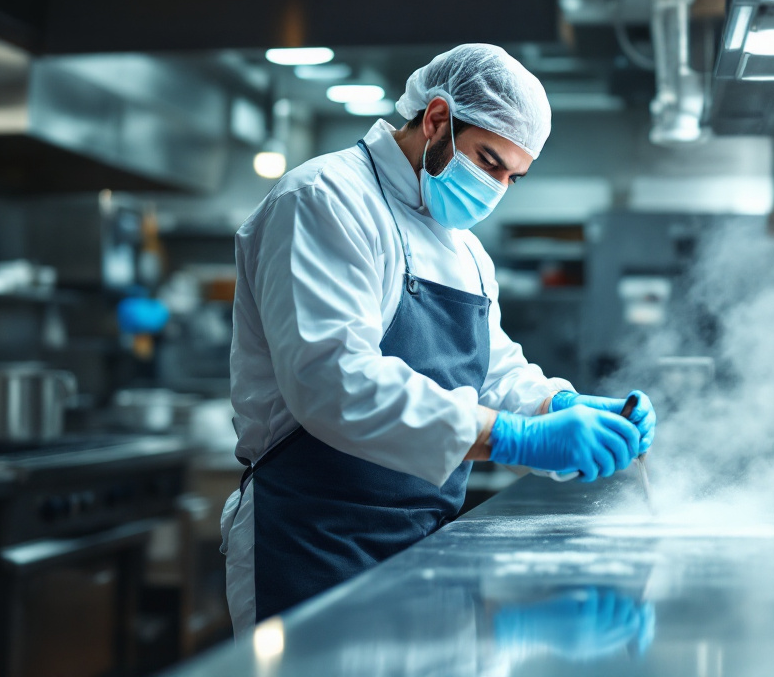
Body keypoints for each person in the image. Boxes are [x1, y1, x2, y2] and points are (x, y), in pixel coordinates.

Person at [220, 44, 658, 633]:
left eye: (512, 176)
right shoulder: (325, 199)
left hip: (421, 540)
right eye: (488, 160)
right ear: (436, 119)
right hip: (312, 539)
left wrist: (558, 404)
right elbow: (333, 381)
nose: (496, 187)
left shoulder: (465, 248)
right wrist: (513, 437)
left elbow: (494, 369)